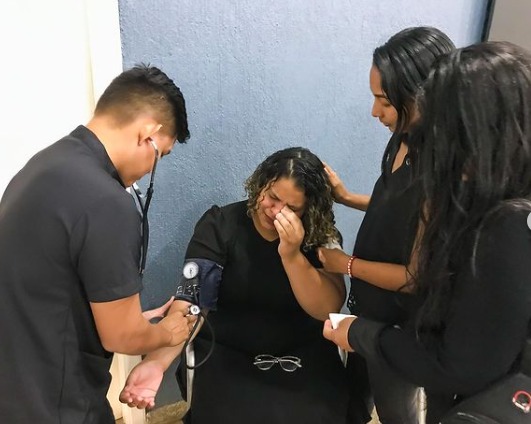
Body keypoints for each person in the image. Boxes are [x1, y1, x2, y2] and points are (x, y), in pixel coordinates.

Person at [323, 41, 531, 423]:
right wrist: (348, 198)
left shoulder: (505, 231)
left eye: (440, 127)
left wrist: (360, 331)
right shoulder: (472, 193)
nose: (432, 141)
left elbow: (458, 364)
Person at [0, 65, 196, 423]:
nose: (150, 169)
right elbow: (121, 336)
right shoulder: (107, 201)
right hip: (59, 406)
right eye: (161, 155)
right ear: (148, 134)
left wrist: (135, 319)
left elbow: (51, 289)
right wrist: (167, 332)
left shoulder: (42, 167)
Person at [120, 147, 363, 423]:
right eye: (273, 197)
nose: (276, 212)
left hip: (302, 351)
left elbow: (326, 307)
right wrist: (156, 363)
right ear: (260, 185)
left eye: (292, 208)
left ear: (309, 210)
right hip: (229, 350)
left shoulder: (321, 233)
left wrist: (292, 255)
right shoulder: (220, 226)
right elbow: (192, 303)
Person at [318, 27, 455, 424]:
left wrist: (344, 264)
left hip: (399, 325)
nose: (374, 112)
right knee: (354, 395)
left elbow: (414, 277)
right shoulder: (402, 138)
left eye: (384, 101)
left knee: (396, 409)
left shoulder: (439, 172)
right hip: (369, 307)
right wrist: (346, 197)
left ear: (425, 94)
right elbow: (393, 207)